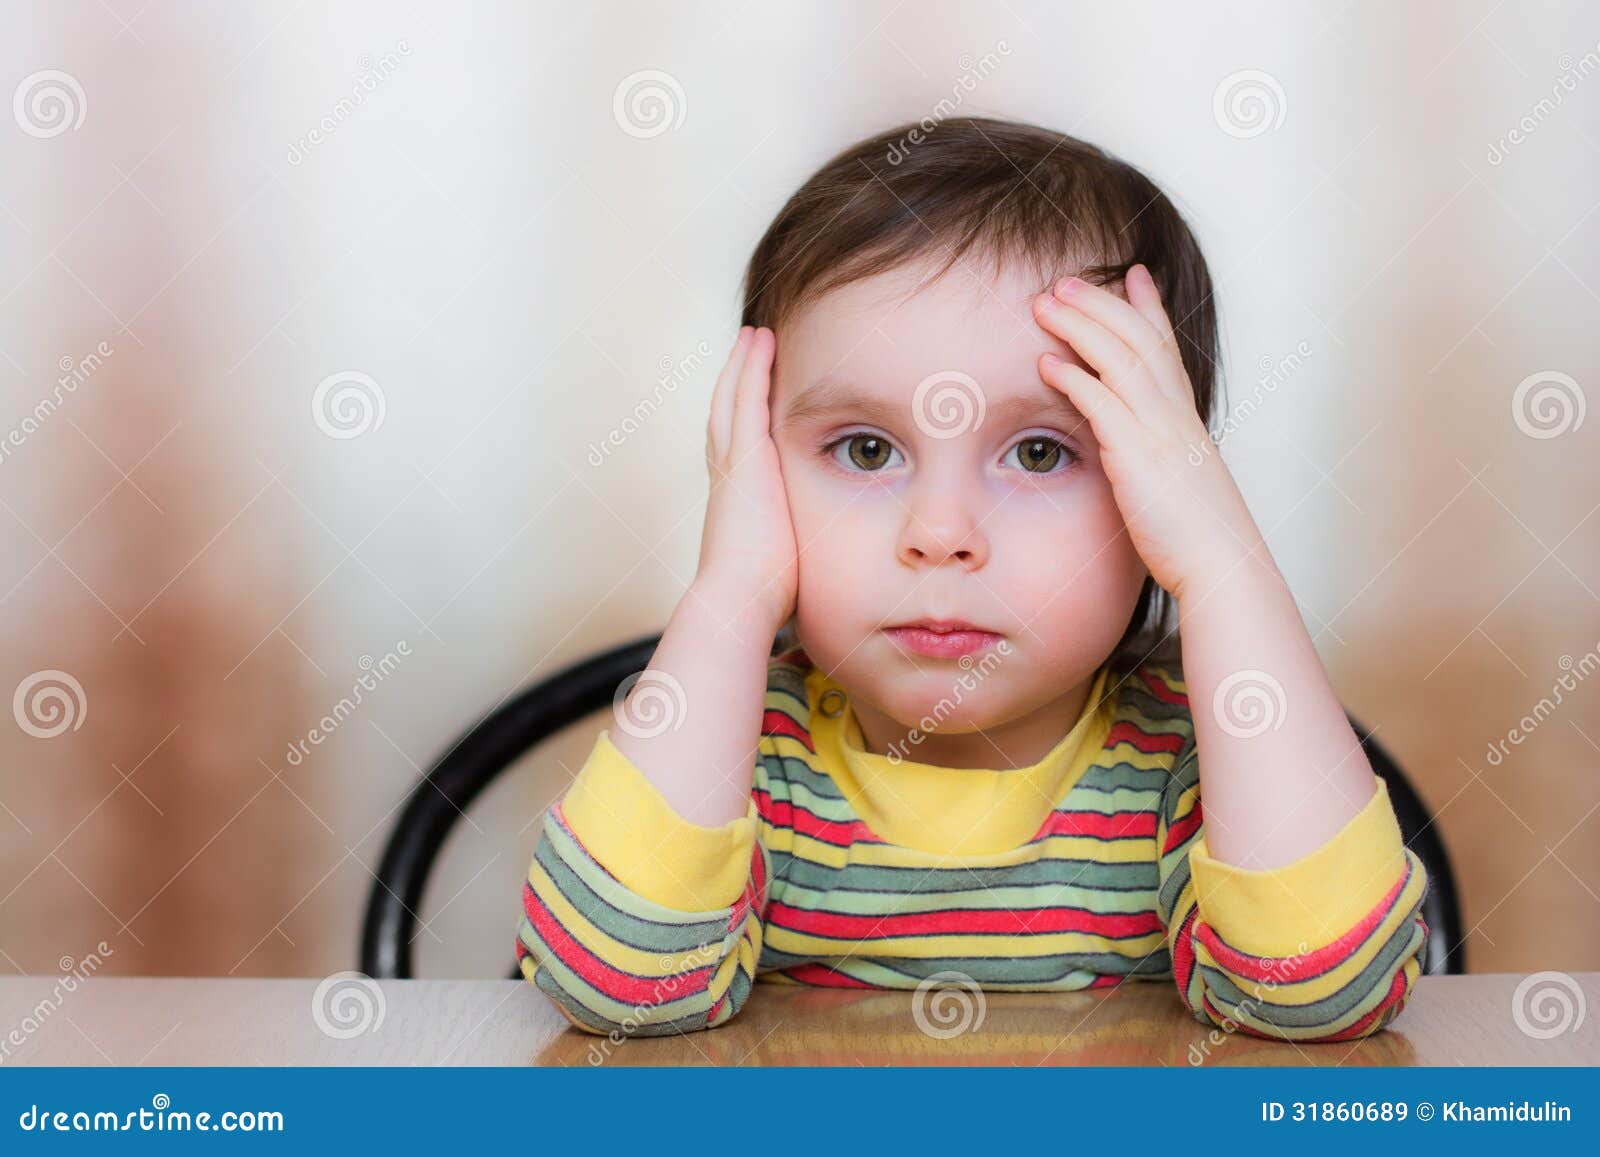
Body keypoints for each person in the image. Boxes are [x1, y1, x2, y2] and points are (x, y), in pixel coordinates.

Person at [514, 116, 1430, 1043]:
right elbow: (613, 988)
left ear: (1161, 493)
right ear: (758, 466)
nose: (940, 534)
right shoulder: (738, 757)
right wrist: (731, 591)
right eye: (865, 449)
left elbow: (1322, 995)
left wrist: (1223, 566)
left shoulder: (1202, 763)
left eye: (1039, 452)